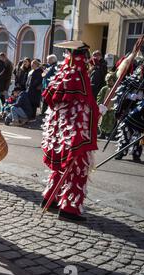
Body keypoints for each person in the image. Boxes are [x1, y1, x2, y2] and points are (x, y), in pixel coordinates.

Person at [41, 41, 106, 222]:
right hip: (75, 134)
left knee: (60, 168)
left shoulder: (62, 74)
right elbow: (85, 106)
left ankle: (50, 198)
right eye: (87, 57)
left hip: (59, 134)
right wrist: (99, 110)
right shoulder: (79, 75)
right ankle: (69, 208)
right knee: (77, 172)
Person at [97, 72, 117, 139]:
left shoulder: (116, 89)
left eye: (111, 80)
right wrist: (99, 104)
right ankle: (102, 133)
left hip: (112, 108)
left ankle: (110, 134)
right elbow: (100, 97)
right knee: (103, 120)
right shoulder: (104, 88)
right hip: (104, 107)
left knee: (111, 121)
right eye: (108, 80)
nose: (109, 82)